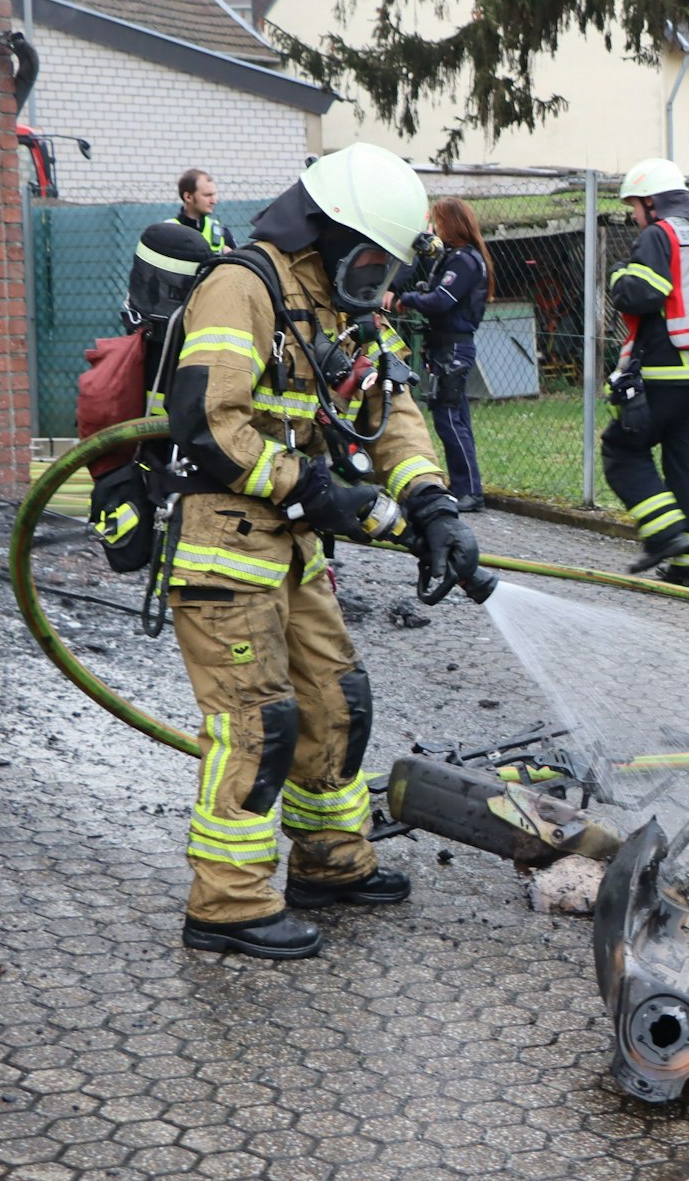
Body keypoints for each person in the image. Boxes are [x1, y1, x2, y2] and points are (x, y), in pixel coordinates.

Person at [164, 141, 481, 960]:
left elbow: (393, 409)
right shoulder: (243, 287)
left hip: (291, 550)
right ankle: (227, 905)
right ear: (329, 233)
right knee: (258, 721)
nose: (375, 282)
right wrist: (313, 489)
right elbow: (209, 424)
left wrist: (432, 505)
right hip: (224, 545)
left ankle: (329, 860)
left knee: (339, 700)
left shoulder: (343, 305)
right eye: (370, 261)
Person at [601, 157, 689, 589]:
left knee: (622, 452)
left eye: (634, 207)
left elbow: (642, 293)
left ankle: (665, 536)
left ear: (651, 202)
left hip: (664, 371)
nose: (633, 216)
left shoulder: (659, 235)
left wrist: (616, 277)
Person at [390, 196, 490, 512]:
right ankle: (466, 487)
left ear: (452, 223)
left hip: (453, 347)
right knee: (454, 417)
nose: (435, 227)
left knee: (449, 419)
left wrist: (405, 298)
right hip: (446, 345)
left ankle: (469, 492)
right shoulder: (456, 257)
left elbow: (440, 301)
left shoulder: (464, 260)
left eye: (438, 220)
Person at [175, 168, 234, 253]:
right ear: (188, 197)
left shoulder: (222, 233)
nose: (214, 201)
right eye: (207, 195)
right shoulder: (166, 232)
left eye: (214, 194)